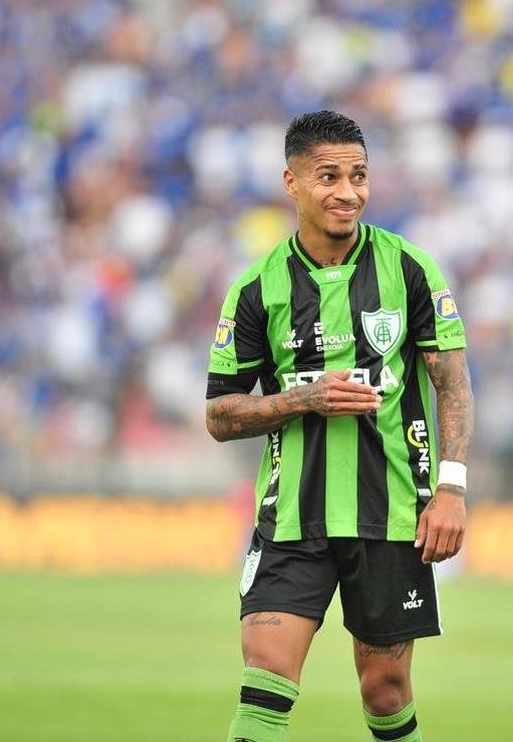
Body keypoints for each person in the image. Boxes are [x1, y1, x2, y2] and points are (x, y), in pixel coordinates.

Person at [205, 110, 474, 742]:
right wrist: (305, 398)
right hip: (292, 516)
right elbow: (220, 413)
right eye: (329, 176)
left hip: (393, 514)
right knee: (265, 670)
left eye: (359, 176)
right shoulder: (256, 287)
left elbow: (452, 383)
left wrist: (453, 489)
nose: (347, 192)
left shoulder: (409, 270)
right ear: (292, 183)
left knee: (385, 690)